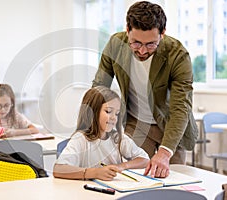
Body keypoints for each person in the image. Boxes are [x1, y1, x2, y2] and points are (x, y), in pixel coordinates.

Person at [92, 1, 198, 178]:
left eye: (150, 44)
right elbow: (99, 88)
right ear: (127, 29)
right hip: (137, 124)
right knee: (135, 179)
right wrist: (92, 127)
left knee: (175, 181)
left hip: (171, 126)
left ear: (162, 34)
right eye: (135, 43)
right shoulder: (115, 45)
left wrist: (164, 153)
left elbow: (181, 108)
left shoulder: (178, 55)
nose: (142, 50)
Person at [53, 86, 149, 181]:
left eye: (117, 113)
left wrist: (122, 166)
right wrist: (95, 173)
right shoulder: (80, 139)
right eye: (108, 111)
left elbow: (145, 160)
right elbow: (59, 169)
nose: (113, 118)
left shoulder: (117, 138)